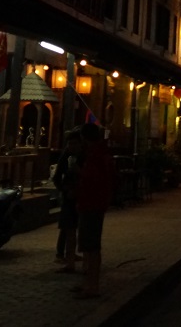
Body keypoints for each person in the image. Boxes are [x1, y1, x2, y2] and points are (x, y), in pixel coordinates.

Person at [72, 122, 116, 299]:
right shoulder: (99, 153)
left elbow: (93, 179)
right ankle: (88, 283)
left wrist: (79, 172)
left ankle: (92, 286)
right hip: (93, 203)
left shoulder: (95, 155)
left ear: (85, 138)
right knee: (88, 245)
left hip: (92, 203)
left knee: (91, 246)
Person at [52, 130, 82, 272]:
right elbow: (57, 177)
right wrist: (64, 190)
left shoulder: (83, 156)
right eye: (70, 143)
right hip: (68, 195)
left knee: (75, 227)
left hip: (81, 196)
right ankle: (61, 254)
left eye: (75, 143)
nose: (72, 146)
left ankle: (72, 254)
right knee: (67, 226)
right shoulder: (66, 156)